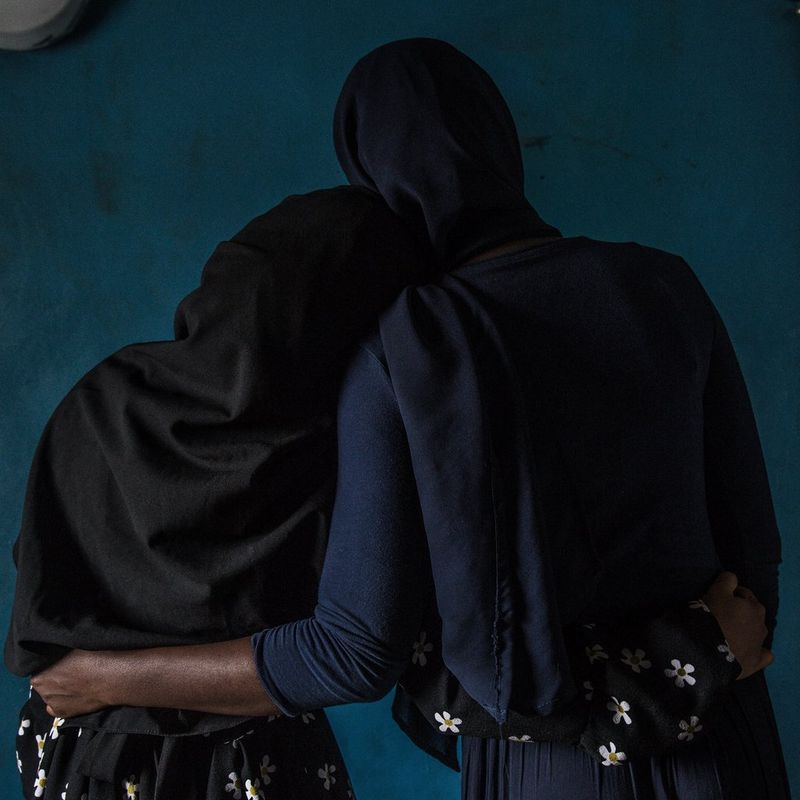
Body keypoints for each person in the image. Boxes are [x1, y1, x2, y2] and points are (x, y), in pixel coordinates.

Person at [29, 38, 788, 799]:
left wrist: (102, 677)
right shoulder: (668, 288)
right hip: (721, 732)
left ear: (370, 174)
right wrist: (687, 666)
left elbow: (353, 651)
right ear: (501, 145)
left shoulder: (410, 348)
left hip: (546, 766)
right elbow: (754, 568)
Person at [7, 186, 428, 799]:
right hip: (255, 760)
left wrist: (103, 674)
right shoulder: (327, 442)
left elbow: (41, 591)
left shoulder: (103, 400)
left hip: (84, 750)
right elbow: (347, 653)